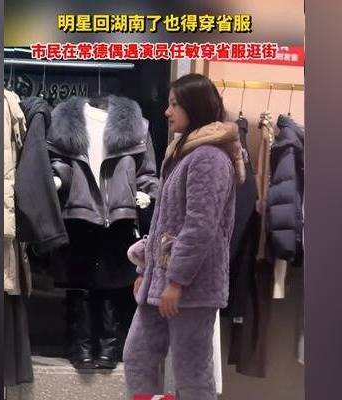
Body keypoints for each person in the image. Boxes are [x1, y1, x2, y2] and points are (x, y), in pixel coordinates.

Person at [123, 73, 246, 400]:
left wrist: (176, 282)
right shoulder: (185, 153)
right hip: (162, 281)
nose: (167, 111)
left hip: (192, 287)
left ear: (195, 106)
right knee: (138, 357)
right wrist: (146, 271)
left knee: (192, 371)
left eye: (174, 104)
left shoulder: (209, 158)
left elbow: (200, 227)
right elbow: (167, 224)